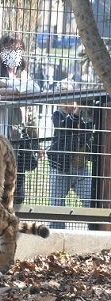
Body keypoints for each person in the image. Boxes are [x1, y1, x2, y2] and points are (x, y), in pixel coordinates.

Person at [0, 34, 41, 204]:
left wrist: (12, 89)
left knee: (17, 191)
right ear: (0, 51)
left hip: (18, 139)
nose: (13, 53)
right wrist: (15, 88)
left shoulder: (24, 74)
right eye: (9, 49)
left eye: (18, 49)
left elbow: (35, 89)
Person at [47, 86, 94, 229]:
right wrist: (75, 115)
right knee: (57, 205)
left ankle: (95, 229)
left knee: (90, 201)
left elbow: (87, 135)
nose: (67, 103)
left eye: (70, 99)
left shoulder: (84, 116)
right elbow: (64, 130)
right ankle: (55, 238)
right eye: (63, 99)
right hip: (60, 168)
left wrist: (81, 114)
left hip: (80, 168)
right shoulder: (57, 115)